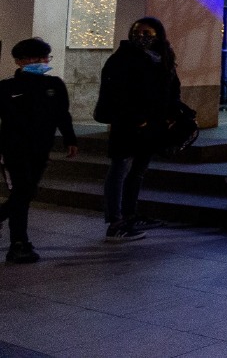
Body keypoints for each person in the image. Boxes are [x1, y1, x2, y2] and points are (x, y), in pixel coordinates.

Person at [95, 16, 183, 241]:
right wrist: (135, 117)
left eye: (147, 33)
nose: (141, 36)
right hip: (128, 124)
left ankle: (130, 215)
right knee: (120, 169)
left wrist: (171, 114)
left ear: (158, 35)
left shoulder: (161, 58)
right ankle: (115, 222)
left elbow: (172, 88)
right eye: (137, 32)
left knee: (138, 171)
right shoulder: (122, 59)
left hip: (152, 125)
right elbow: (115, 93)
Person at [0, 38, 78, 264]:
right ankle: (18, 243)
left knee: (26, 192)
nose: (43, 61)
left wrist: (69, 139)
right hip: (14, 149)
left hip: (41, 148)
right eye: (38, 58)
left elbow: (63, 114)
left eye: (46, 57)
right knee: (22, 192)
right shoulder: (6, 88)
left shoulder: (54, 85)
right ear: (20, 61)